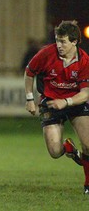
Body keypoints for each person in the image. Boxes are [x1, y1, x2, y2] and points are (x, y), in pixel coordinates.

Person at [25, 20, 89, 195]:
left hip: (75, 103)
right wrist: (29, 98)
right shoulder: (46, 53)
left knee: (88, 144)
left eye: (63, 41)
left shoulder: (84, 60)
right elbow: (29, 72)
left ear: (74, 41)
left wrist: (67, 101)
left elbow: (85, 93)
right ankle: (68, 148)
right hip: (51, 102)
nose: (59, 45)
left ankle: (88, 184)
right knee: (54, 151)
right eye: (57, 40)